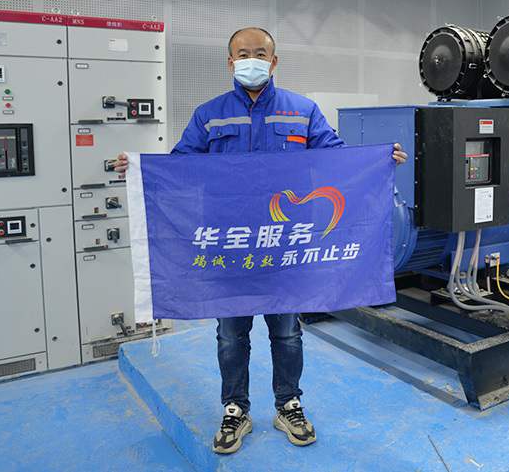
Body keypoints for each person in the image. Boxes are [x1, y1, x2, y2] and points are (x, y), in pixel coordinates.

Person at [114, 27, 407, 455]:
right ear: (230, 61)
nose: (250, 60)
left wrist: (380, 159)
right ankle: (235, 408)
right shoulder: (210, 115)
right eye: (242, 53)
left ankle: (288, 404)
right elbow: (181, 167)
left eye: (259, 53)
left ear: (274, 61)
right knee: (231, 335)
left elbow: (337, 157)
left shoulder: (302, 112)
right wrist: (141, 169)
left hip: (283, 247)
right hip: (232, 249)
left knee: (286, 333)